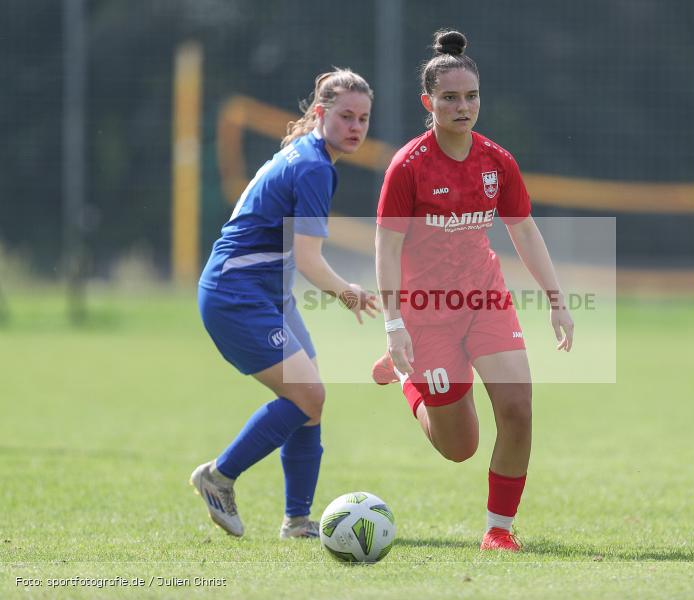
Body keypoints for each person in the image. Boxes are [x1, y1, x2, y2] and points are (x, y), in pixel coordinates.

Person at [370, 30, 574, 552]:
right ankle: (408, 380)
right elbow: (387, 249)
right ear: (428, 103)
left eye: (472, 96)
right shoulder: (409, 167)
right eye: (450, 98)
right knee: (459, 447)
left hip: (485, 299)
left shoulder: (497, 161)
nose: (464, 107)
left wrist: (555, 300)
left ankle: (498, 530)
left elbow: (523, 230)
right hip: (425, 313)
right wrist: (394, 325)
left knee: (519, 411)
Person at [191, 69, 378, 539]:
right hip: (238, 295)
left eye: (363, 119)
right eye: (345, 116)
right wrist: (349, 293)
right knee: (308, 394)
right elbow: (312, 262)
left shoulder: (309, 155)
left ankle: (297, 521)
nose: (355, 127)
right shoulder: (315, 166)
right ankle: (219, 476)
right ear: (320, 113)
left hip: (266, 292)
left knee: (308, 402)